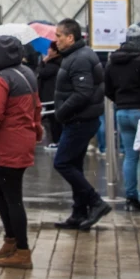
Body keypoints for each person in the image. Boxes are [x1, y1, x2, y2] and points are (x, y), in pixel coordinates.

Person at [0, 35, 42, 270]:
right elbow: (36, 106)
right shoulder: (25, 73)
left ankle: (23, 250)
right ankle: (11, 239)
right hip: (22, 139)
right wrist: (36, 128)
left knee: (12, 196)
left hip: (8, 144)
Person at [51, 19, 111, 230]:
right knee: (74, 165)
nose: (55, 39)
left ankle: (95, 202)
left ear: (70, 37)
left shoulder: (79, 58)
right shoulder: (76, 56)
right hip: (80, 119)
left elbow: (82, 92)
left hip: (79, 120)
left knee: (62, 163)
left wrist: (61, 111)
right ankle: (78, 212)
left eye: (59, 35)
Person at [104, 24, 140, 211]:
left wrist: (120, 101)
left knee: (131, 156)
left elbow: (108, 89)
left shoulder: (113, 60)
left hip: (122, 111)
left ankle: (131, 198)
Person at [37, 46, 62, 150]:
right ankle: (56, 140)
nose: (48, 50)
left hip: (51, 96)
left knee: (54, 120)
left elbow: (41, 73)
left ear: (55, 52)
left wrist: (43, 61)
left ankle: (57, 141)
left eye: (50, 49)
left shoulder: (54, 64)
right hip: (49, 96)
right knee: (52, 119)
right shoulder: (53, 63)